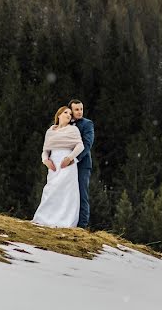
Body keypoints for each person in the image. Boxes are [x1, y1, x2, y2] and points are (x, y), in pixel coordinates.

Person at [32, 106, 84, 227]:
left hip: (67, 164)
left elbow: (80, 146)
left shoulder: (73, 130)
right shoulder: (50, 132)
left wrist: (70, 158)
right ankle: (44, 219)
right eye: (66, 112)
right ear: (59, 115)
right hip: (53, 164)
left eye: (70, 114)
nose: (68, 115)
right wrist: (45, 160)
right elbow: (45, 150)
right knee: (51, 190)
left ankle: (64, 222)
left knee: (66, 192)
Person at [69, 98, 94, 229]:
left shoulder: (87, 124)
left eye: (81, 109)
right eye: (76, 109)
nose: (79, 112)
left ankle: (82, 225)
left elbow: (87, 144)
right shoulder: (66, 122)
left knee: (81, 193)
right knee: (67, 192)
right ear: (71, 111)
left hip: (82, 164)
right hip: (66, 164)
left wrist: (75, 159)